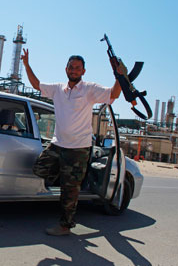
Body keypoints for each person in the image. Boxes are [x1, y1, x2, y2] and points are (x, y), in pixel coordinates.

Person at [21, 49, 122, 236]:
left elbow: (113, 94)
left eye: (77, 68)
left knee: (70, 191)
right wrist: (27, 64)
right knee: (39, 168)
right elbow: (36, 84)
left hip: (78, 149)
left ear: (83, 71)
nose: (74, 70)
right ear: (66, 69)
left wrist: (119, 76)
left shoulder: (89, 89)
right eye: (71, 67)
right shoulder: (58, 89)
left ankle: (65, 225)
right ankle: (66, 179)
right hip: (58, 145)